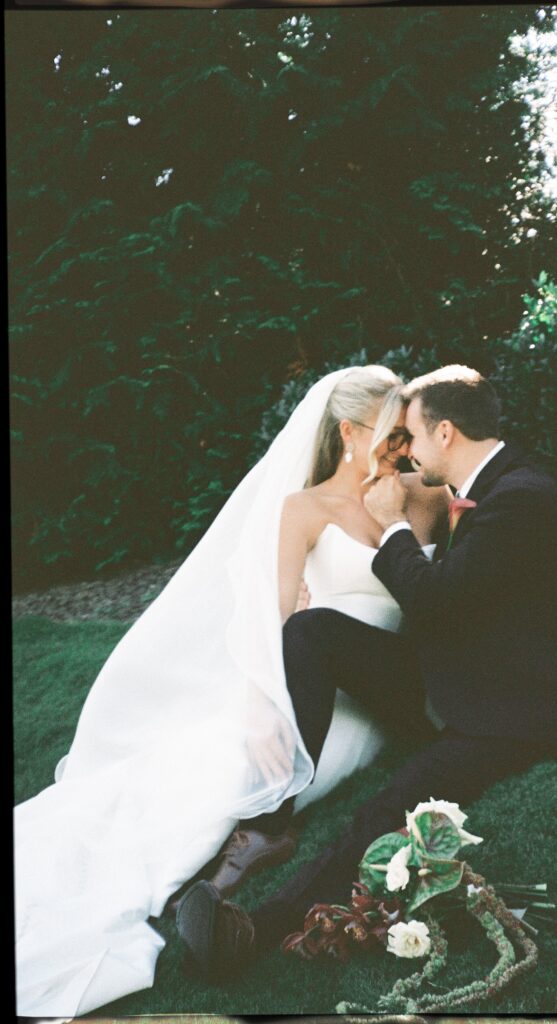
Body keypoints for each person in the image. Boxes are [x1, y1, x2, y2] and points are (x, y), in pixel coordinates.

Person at [13, 364, 448, 1017]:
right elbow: (269, 618)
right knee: (216, 767)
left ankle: (252, 838)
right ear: (348, 433)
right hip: (313, 679)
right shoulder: (300, 510)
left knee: (266, 766)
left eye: (405, 436)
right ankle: (212, 848)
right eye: (388, 436)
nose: (400, 450)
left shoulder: (419, 495)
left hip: (382, 687)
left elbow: (467, 565)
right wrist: (256, 706)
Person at [175, 364, 557, 983]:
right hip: (460, 666)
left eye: (411, 436)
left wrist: (390, 527)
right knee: (312, 631)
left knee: (391, 806)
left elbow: (438, 601)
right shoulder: (489, 484)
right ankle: (272, 817)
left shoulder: (518, 499)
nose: (405, 452)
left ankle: (252, 933)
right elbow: (457, 606)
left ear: (444, 434)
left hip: (517, 704)